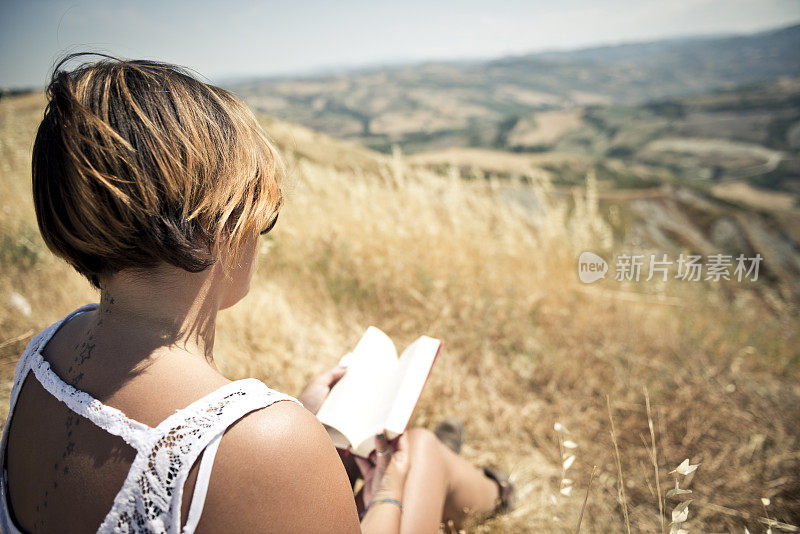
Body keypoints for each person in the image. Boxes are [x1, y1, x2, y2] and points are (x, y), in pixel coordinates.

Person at [0, 53, 514, 534]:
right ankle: (495, 490)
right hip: (281, 450)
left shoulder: (44, 353)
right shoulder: (267, 443)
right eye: (262, 217)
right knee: (416, 452)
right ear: (220, 224)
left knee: (419, 451)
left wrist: (294, 425)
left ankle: (488, 486)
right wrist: (389, 492)